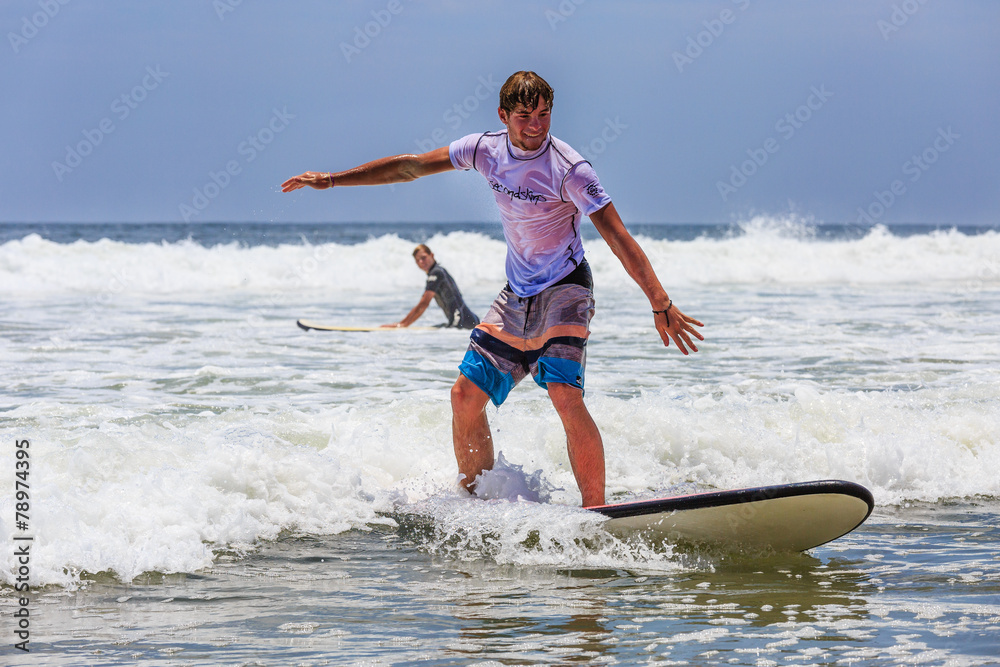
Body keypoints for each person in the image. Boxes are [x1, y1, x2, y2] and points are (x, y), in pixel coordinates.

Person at [282, 71, 704, 507]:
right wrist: (333, 179)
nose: (536, 126)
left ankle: (597, 512)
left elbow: (616, 235)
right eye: (524, 116)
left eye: (544, 115)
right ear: (503, 115)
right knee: (464, 395)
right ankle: (475, 504)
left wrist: (660, 302)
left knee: (564, 394)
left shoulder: (570, 169)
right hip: (516, 292)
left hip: (566, 286)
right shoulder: (484, 150)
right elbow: (412, 167)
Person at [384, 244, 479, 330]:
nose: (421, 262)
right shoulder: (439, 271)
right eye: (417, 260)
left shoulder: (436, 273)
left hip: (462, 323)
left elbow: (424, 303)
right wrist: (403, 324)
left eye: (423, 258)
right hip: (468, 322)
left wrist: (402, 324)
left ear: (432, 255)